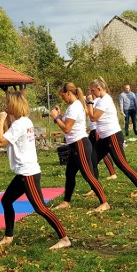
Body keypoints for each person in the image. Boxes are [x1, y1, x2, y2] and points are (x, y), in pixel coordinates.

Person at [0, 91, 71, 250]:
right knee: (6, 200)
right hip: (23, 172)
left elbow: (0, 142)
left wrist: (0, 121)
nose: (6, 107)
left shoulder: (19, 124)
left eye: (8, 103)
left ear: (14, 105)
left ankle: (64, 238)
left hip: (28, 173)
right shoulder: (25, 121)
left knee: (40, 208)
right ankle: (8, 236)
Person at [49, 83, 109, 213]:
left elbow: (66, 128)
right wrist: (59, 116)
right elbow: (67, 124)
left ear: (69, 93)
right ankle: (66, 201)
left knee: (88, 174)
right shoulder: (74, 106)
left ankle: (104, 202)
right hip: (74, 145)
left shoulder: (75, 107)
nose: (63, 99)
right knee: (69, 174)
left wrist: (55, 118)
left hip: (80, 144)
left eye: (63, 96)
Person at [87, 77, 137, 198]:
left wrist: (89, 102)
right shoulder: (99, 100)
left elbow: (93, 117)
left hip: (113, 136)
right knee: (92, 160)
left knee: (122, 164)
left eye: (93, 91)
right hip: (104, 138)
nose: (92, 93)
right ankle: (95, 188)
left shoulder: (105, 100)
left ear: (99, 89)